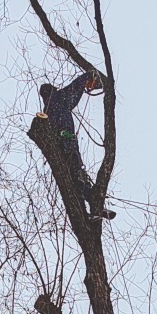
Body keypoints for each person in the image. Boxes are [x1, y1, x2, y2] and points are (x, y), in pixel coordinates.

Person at [39, 67, 115, 220]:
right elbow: (75, 87)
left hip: (61, 149)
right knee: (78, 178)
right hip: (68, 146)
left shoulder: (46, 111)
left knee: (75, 180)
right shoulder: (58, 99)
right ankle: (92, 209)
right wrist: (89, 76)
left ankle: (92, 210)